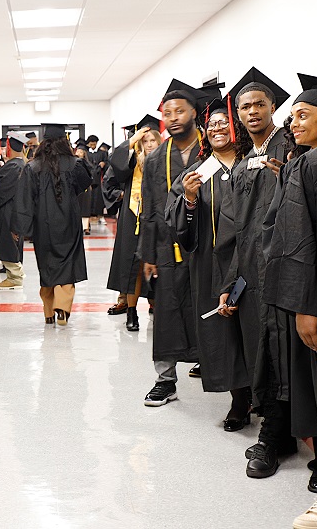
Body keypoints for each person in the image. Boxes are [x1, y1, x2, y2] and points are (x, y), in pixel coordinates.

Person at [262, 70, 317, 529]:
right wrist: (306, 306)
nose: (293, 124)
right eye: (292, 116)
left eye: (302, 114)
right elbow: (296, 242)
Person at [214, 67, 296, 480]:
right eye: (244, 107)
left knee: (282, 355)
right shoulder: (245, 163)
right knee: (262, 354)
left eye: (259, 104)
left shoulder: (292, 150)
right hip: (251, 274)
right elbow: (235, 232)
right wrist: (230, 284)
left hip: (286, 271)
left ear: (273, 108)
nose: (251, 112)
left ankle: (273, 436)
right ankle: (277, 431)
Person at [165, 100, 253, 429]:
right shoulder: (201, 172)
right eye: (212, 124)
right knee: (224, 333)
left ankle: (264, 397)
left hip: (252, 262)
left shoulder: (252, 164)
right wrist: (188, 199)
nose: (217, 128)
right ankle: (239, 399)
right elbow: (176, 223)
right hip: (212, 264)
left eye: (224, 122)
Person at [138, 79, 209, 406]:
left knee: (208, 309)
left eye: (180, 110)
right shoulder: (156, 159)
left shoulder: (210, 150)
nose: (174, 117)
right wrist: (149, 254)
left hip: (208, 248)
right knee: (166, 313)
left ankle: (217, 369)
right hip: (167, 249)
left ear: (194, 112)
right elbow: (151, 209)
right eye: (168, 112)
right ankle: (165, 379)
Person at [13, 126, 91, 325]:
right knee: (67, 265)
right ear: (64, 142)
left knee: (47, 267)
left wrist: (21, 228)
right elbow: (85, 184)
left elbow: (24, 199)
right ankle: (63, 308)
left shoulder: (32, 167)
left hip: (43, 225)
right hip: (69, 223)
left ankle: (48, 312)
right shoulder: (75, 164)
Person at [104, 115, 162, 331]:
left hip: (157, 218)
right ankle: (131, 311)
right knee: (131, 265)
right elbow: (115, 162)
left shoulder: (165, 161)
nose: (148, 145)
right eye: (144, 141)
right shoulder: (131, 161)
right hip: (132, 216)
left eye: (152, 140)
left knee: (157, 262)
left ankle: (157, 306)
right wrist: (133, 140)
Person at [0, 134, 26, 289]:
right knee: (9, 243)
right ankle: (12, 276)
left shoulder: (14, 166)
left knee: (8, 243)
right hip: (14, 209)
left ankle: (16, 278)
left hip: (8, 211)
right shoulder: (20, 164)